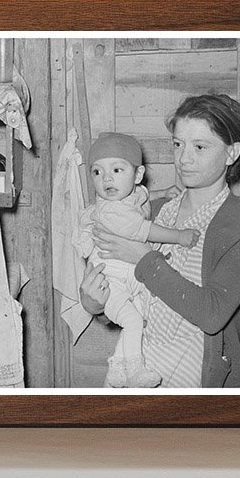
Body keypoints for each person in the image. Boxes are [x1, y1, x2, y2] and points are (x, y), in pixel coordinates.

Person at [80, 94, 240, 389]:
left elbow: (211, 314)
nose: (184, 158)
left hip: (194, 386)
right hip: (137, 375)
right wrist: (93, 302)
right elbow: (127, 298)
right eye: (178, 144)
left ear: (231, 153)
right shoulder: (153, 213)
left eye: (199, 147)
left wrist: (143, 258)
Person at [74, 132, 198, 388]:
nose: (106, 178)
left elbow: (137, 201)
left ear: (138, 175)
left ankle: (117, 369)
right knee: (132, 320)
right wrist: (180, 237)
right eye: (97, 172)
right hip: (112, 283)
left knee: (138, 319)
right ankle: (134, 371)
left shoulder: (130, 196)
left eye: (117, 170)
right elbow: (143, 229)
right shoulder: (108, 209)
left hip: (131, 282)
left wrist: (162, 192)